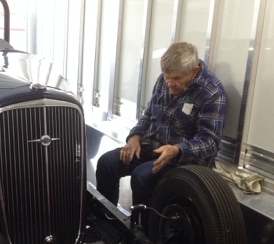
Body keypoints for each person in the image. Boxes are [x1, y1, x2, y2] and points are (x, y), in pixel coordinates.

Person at [96, 42, 227, 207]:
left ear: (194, 72)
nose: (169, 83)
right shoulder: (163, 80)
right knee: (107, 163)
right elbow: (148, 115)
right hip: (153, 147)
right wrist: (135, 137)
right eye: (166, 76)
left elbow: (210, 141)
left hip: (183, 158)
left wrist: (177, 150)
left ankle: (142, 223)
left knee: (141, 177)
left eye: (176, 78)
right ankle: (106, 217)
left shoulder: (212, 92)